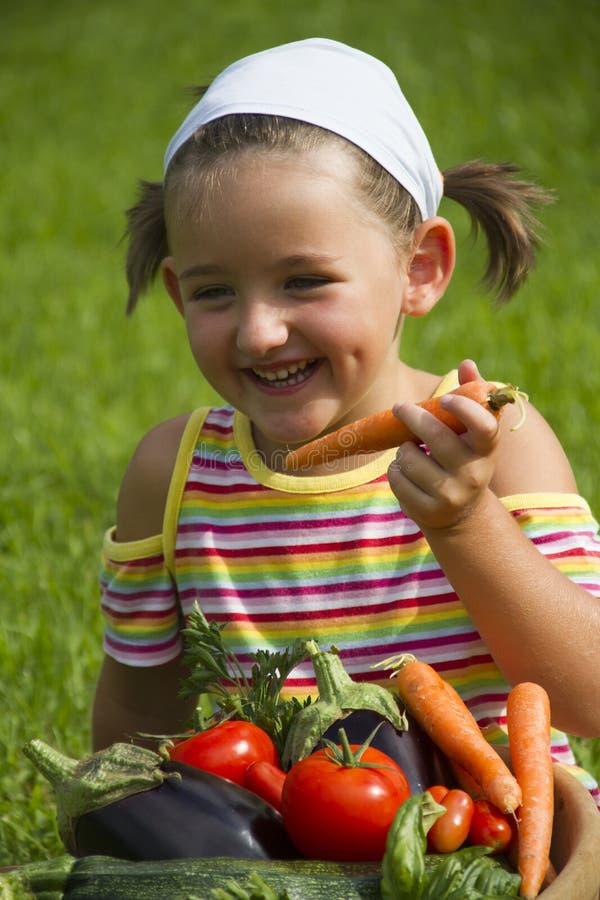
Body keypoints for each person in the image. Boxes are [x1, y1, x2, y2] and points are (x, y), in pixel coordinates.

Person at [92, 38, 600, 805]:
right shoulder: (175, 473)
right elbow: (139, 716)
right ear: (175, 291)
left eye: (304, 281)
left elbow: (587, 699)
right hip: (275, 863)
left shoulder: (492, 440)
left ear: (419, 269)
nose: (258, 332)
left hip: (499, 847)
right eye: (214, 292)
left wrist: (466, 523)